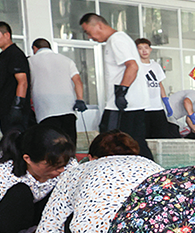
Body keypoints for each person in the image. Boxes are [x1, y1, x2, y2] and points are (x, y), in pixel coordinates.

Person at [30, 131, 161, 233]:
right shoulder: (155, 169)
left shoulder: (77, 172)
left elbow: (49, 229)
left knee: (71, 217)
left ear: (91, 157)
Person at [79, 13, 151, 159]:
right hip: (127, 104)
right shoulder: (117, 39)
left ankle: (151, 175)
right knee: (131, 143)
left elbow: (133, 66)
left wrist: (121, 92)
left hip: (124, 105)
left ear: (98, 25)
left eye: (88, 32)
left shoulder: (117, 40)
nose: (89, 37)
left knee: (111, 143)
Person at [0, 126, 75, 233]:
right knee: (20, 192)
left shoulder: (69, 168)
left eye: (64, 165)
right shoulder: (5, 173)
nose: (61, 170)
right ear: (27, 159)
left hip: (43, 230)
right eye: (54, 166)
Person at [27, 38, 86, 146]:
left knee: (51, 145)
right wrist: (80, 99)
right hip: (68, 108)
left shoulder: (30, 62)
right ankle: (71, 162)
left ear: (35, 48)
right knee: (69, 142)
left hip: (46, 109)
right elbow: (77, 81)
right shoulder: (66, 60)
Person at [135, 38, 176, 140]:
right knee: (144, 136)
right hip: (142, 107)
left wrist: (165, 101)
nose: (144, 51)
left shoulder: (156, 66)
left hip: (157, 107)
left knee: (162, 135)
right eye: (140, 48)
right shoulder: (135, 66)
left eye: (146, 48)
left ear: (150, 49)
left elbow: (159, 84)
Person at [0, 21, 31, 135]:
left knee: (16, 143)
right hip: (4, 108)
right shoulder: (3, 55)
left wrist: (18, 106)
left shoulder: (15, 54)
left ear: (6, 35)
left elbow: (22, 82)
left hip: (13, 110)